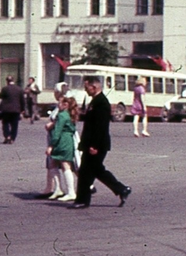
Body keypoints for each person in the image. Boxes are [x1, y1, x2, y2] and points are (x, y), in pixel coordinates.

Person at [70, 76, 131, 209]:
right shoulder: (95, 101)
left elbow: (101, 127)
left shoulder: (102, 103)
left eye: (87, 88)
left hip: (97, 145)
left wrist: (95, 146)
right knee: (95, 170)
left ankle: (82, 200)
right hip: (91, 144)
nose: (86, 90)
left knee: (87, 171)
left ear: (95, 87)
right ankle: (122, 189)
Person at [47, 96, 78, 202]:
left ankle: (71, 192)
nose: (57, 105)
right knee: (53, 163)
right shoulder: (69, 115)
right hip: (67, 140)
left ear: (65, 105)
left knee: (65, 166)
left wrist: (51, 145)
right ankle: (58, 189)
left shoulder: (62, 115)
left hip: (62, 142)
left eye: (59, 103)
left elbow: (57, 132)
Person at [0, 76, 24, 144]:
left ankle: (7, 136)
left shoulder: (5, 89)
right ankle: (12, 138)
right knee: (15, 124)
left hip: (6, 110)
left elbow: (0, 96)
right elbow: (22, 100)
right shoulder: (19, 89)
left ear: (7, 81)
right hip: (16, 110)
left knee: (5, 123)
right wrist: (22, 109)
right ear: (13, 80)